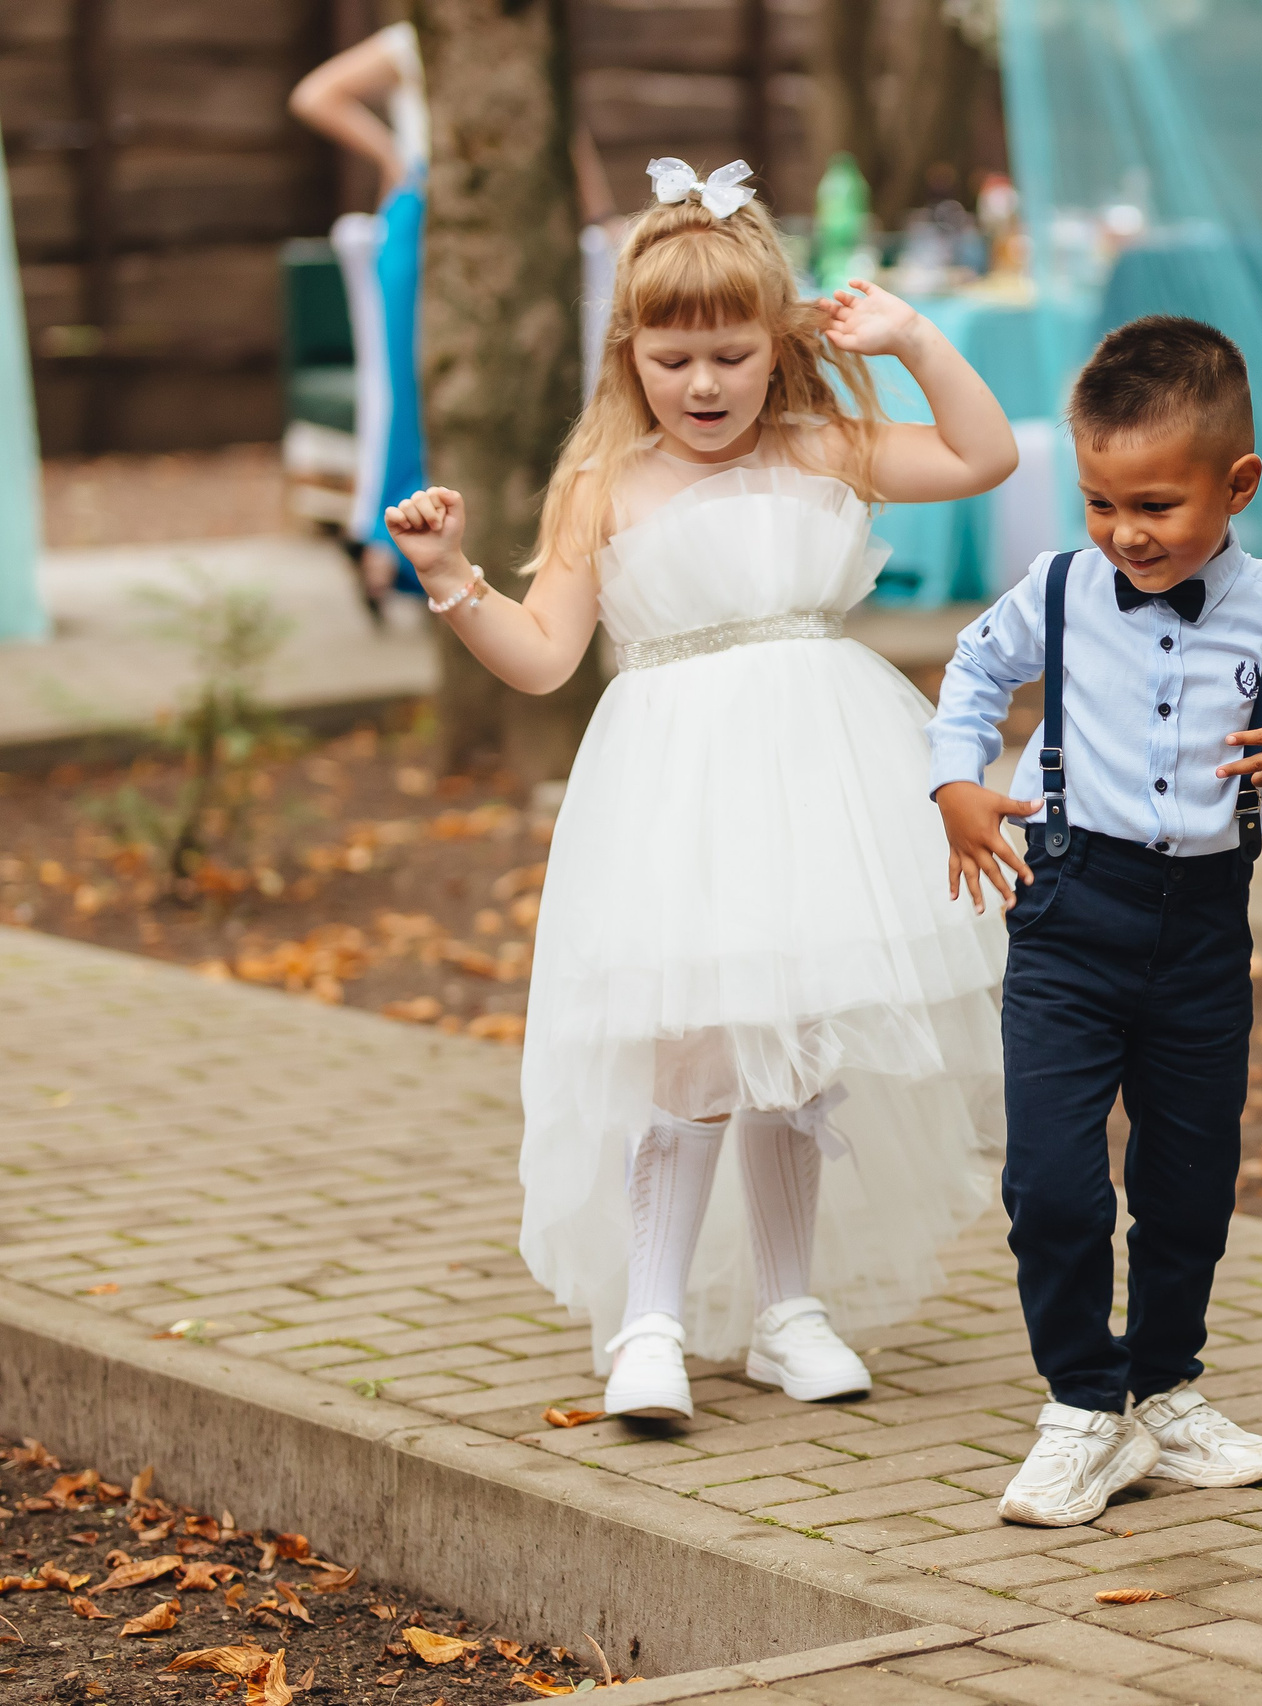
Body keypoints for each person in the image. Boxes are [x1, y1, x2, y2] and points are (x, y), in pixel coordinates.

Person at [382, 159, 1020, 1420]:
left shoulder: (824, 443)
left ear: (776, 349)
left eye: (730, 354)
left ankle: (790, 1307)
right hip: (677, 786)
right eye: (674, 361)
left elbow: (984, 454)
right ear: (629, 355)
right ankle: (650, 1321)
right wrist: (453, 576)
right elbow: (545, 654)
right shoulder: (602, 485)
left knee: (794, 1037)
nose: (705, 385)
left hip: (822, 768)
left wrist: (912, 338)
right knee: (689, 1050)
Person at [928, 316, 1262, 1525]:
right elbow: (974, 675)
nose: (1126, 532)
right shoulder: (1064, 591)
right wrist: (957, 783)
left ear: (1235, 485)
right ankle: (1084, 1402)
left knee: (1188, 1177)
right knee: (1055, 1179)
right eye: (1098, 501)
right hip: (1070, 912)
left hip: (1201, 931)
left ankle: (1164, 1389)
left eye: (1156, 505)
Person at [292, 23, 433, 606]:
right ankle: (387, 544)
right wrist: (398, 160)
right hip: (421, 216)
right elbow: (315, 94)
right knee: (403, 388)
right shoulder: (418, 37)